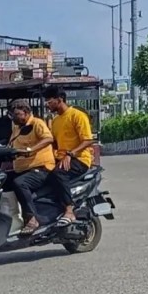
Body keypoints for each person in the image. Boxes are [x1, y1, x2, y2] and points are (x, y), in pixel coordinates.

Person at [44, 86, 95, 226]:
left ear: (60, 100)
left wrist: (70, 154)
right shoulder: (55, 121)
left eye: (49, 101)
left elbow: (88, 140)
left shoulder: (77, 115)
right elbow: (53, 143)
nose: (47, 105)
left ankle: (69, 210)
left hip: (79, 159)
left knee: (58, 174)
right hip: (62, 158)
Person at [4, 99, 55, 235]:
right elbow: (12, 145)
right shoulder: (17, 128)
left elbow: (49, 139)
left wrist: (31, 149)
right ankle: (12, 218)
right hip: (22, 168)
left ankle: (32, 219)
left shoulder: (37, 123)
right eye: (12, 115)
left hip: (41, 168)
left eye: (16, 115)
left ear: (25, 113)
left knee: (20, 183)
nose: (13, 118)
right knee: (2, 181)